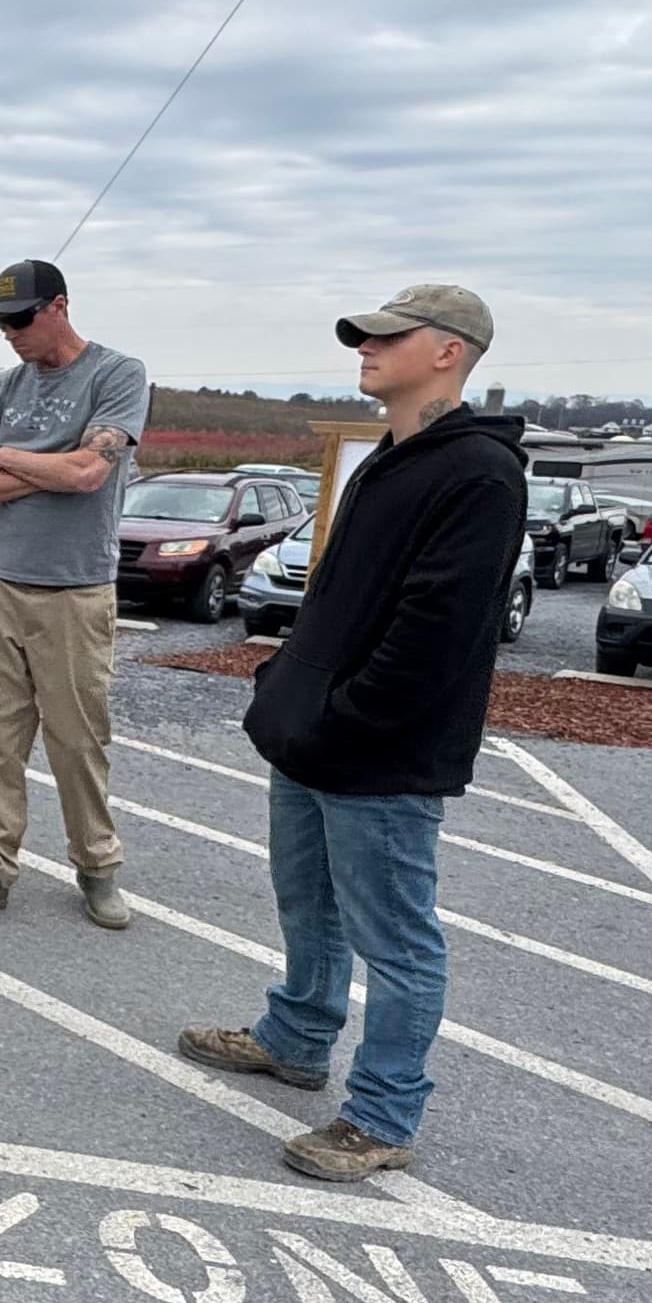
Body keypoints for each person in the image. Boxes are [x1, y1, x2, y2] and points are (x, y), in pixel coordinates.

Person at [178, 284, 526, 1182]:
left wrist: (345, 715)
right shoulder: (392, 456)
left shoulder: (480, 473)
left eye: (387, 337)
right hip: (313, 736)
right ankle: (296, 1037)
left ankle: (382, 1115)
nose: (365, 349)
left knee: (397, 941)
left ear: (448, 352)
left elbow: (437, 632)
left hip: (381, 755)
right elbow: (337, 599)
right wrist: (286, 685)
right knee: (307, 901)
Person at [0, 258, 152, 933]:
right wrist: (51, 462)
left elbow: (88, 474)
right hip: (0, 583)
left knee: (77, 741)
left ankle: (97, 866)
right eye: (1, 322)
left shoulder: (117, 374)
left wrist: (7, 457)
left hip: (75, 589)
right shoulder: (3, 387)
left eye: (20, 319)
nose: (10, 332)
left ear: (59, 307)